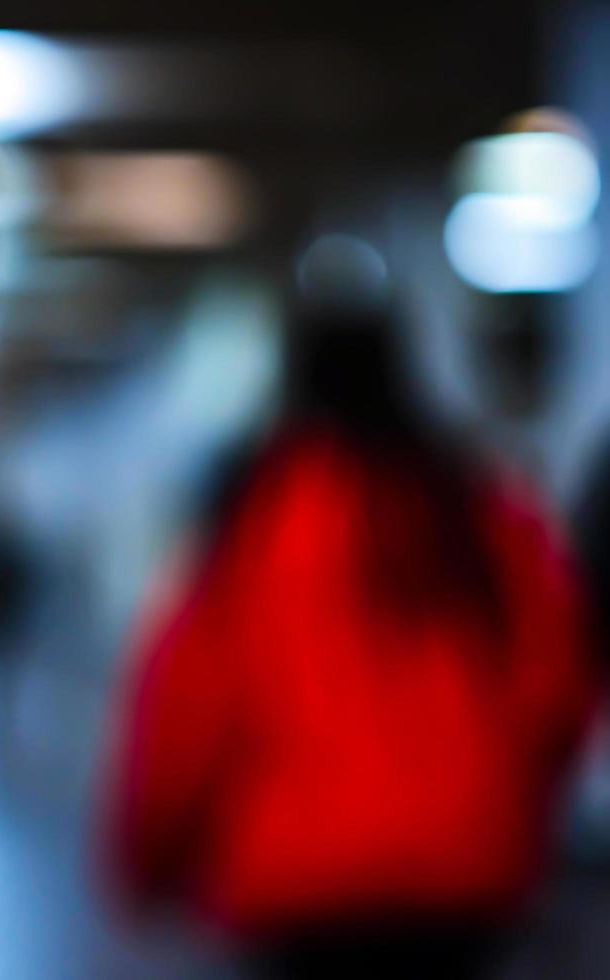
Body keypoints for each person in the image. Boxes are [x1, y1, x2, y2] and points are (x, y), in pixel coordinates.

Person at [94, 305, 599, 979]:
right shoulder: (477, 510)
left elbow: (188, 703)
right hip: (466, 869)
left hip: (300, 881)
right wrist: (515, 800)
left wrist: (147, 859)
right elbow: (556, 677)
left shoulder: (254, 515)